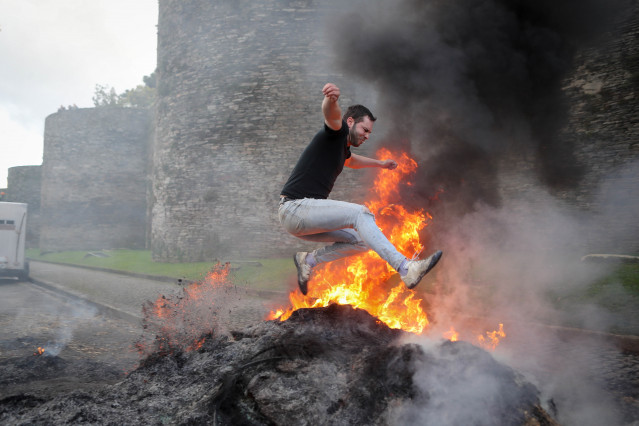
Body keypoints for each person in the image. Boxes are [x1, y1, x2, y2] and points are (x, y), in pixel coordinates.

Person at [279, 83, 442, 295]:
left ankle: (308, 260)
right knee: (360, 213)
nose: (367, 136)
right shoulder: (335, 135)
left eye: (369, 133)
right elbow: (331, 116)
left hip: (302, 218)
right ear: (350, 122)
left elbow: (351, 161)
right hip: (295, 208)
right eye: (365, 130)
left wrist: (380, 164)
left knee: (360, 241)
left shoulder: (341, 148)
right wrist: (332, 100)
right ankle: (406, 268)